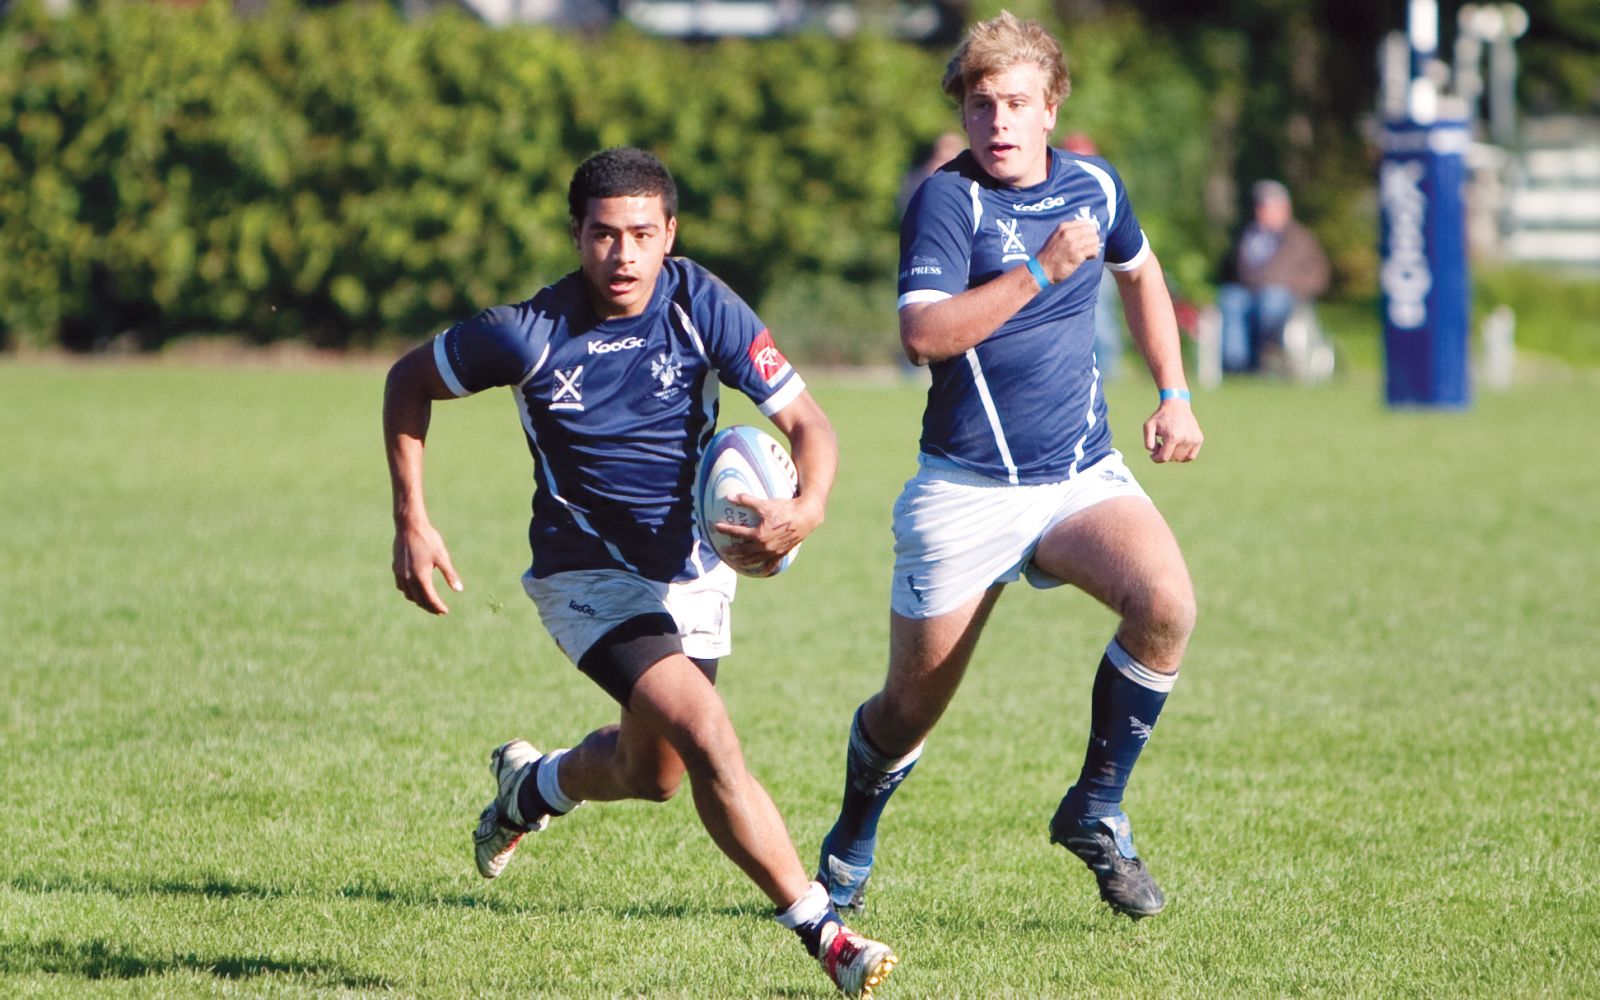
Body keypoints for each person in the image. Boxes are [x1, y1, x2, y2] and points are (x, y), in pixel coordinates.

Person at [383, 148, 896, 998]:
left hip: (690, 570)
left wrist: (810, 505)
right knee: (709, 735)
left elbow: (808, 422)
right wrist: (412, 516)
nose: (622, 256)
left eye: (641, 235)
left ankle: (531, 786)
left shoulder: (700, 303)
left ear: (670, 235)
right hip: (585, 574)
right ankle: (824, 933)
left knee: (650, 774)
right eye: (603, 235)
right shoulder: (526, 332)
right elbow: (408, 381)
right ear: (577, 235)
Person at [816, 12, 1203, 921]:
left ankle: (1095, 809)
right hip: (966, 490)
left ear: (1051, 107)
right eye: (981, 103)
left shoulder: (1096, 185)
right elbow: (922, 335)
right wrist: (1039, 268)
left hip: (1078, 478)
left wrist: (1175, 390)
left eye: (1015, 103)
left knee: (1167, 605)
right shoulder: (946, 202)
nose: (996, 121)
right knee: (909, 711)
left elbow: (1141, 274)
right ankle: (851, 839)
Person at [1217, 179, 1330, 374]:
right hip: (1248, 292)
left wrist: (1290, 286)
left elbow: (1319, 275)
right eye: (1259, 206)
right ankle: (1236, 363)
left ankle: (1265, 355)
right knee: (1231, 300)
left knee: (1271, 299)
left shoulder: (1301, 238)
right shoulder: (1248, 235)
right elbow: (1231, 269)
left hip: (1285, 296)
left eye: (1267, 206)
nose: (1261, 211)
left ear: (1284, 208)